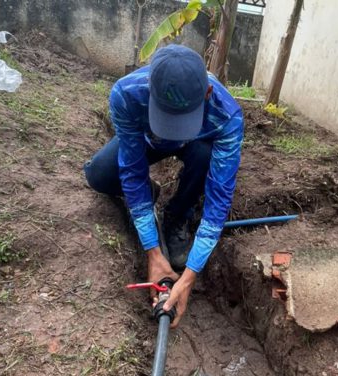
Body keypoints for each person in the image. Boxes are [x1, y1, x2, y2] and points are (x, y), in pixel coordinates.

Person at [84, 44, 243, 327]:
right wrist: (153, 254)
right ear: (149, 88)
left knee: (205, 155)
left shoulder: (227, 115)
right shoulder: (127, 94)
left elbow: (219, 199)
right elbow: (132, 170)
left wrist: (189, 276)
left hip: (197, 146)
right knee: (99, 176)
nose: (174, 128)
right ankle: (150, 196)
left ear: (207, 94)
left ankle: (177, 216)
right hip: (149, 141)